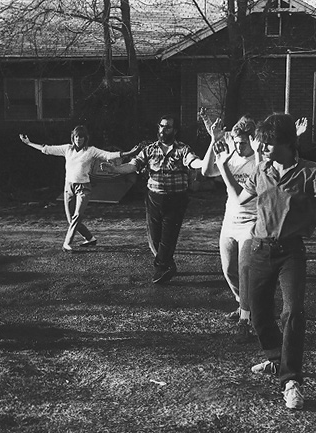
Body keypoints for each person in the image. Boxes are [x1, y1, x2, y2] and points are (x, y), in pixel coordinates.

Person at [214, 112, 316, 410]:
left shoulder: (310, 171)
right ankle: (275, 359)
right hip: (259, 248)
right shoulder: (262, 171)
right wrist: (223, 168)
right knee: (258, 314)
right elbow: (239, 199)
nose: (262, 149)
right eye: (262, 144)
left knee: (293, 313)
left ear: (287, 143)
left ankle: (291, 381)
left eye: (268, 144)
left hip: (291, 253)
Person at [101, 114, 204, 284]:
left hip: (176, 199)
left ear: (175, 130)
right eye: (161, 126)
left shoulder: (182, 149)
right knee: (155, 238)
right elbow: (133, 165)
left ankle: (161, 269)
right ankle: (168, 264)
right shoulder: (149, 150)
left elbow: (193, 162)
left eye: (168, 127)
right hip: (154, 198)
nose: (163, 130)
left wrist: (203, 164)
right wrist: (116, 169)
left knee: (168, 236)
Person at [18, 125, 142, 252]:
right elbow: (46, 149)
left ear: (85, 139)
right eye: (77, 137)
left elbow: (108, 155)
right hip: (69, 187)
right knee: (71, 219)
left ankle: (67, 243)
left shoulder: (90, 150)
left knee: (77, 215)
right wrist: (28, 143)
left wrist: (130, 153)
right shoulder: (67, 149)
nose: (79, 139)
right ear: (73, 137)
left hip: (84, 188)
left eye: (81, 137)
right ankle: (90, 238)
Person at [200, 112, 260, 343]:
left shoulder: (259, 160)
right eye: (236, 143)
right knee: (228, 270)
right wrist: (213, 139)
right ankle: (242, 303)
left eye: (243, 143)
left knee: (245, 268)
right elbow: (207, 172)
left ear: (253, 140)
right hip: (230, 221)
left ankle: (246, 317)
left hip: (252, 222)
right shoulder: (231, 156)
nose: (239, 147)